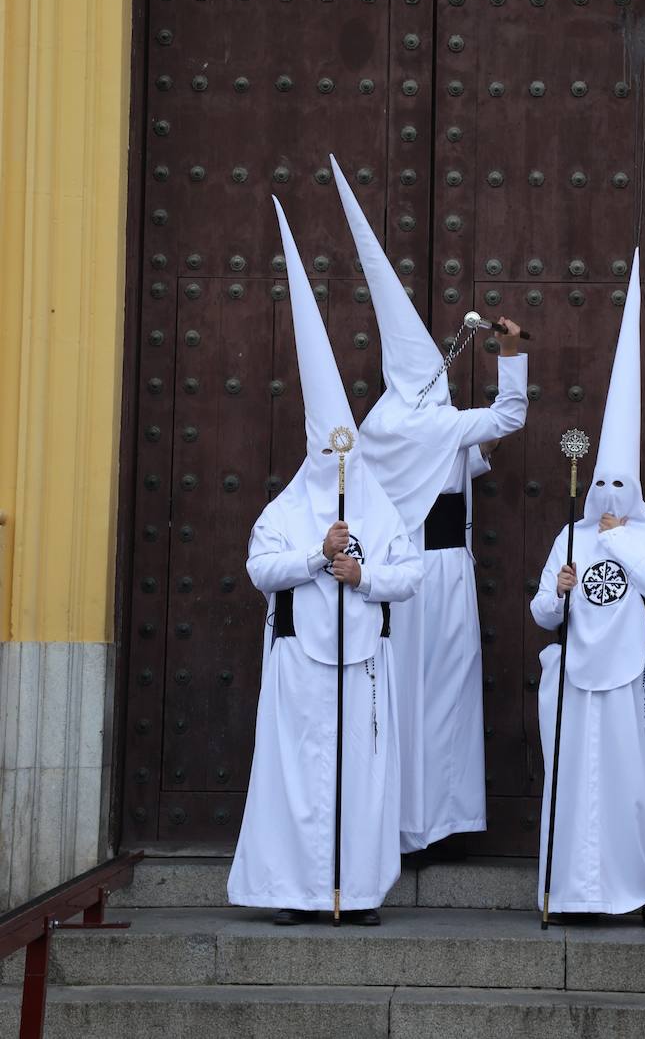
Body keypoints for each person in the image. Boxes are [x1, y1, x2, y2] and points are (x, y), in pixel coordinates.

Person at [227, 198, 422, 926]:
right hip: (298, 663)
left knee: (360, 778)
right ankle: (294, 892)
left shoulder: (381, 508)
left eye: (347, 452)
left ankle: (357, 892)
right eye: (325, 453)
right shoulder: (284, 510)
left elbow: (410, 575)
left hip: (365, 662)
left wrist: (362, 576)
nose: (337, 466)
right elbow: (259, 570)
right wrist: (317, 556)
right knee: (296, 776)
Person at [331, 155, 529, 855]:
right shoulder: (436, 421)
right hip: (438, 574)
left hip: (393, 574)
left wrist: (472, 445)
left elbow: (466, 462)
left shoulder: (380, 425)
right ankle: (432, 823)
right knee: (443, 697)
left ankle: (399, 820)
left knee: (402, 696)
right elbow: (506, 419)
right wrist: (509, 352)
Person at [531, 251, 645, 929]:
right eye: (603, 488)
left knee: (638, 789)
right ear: (590, 487)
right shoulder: (570, 539)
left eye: (622, 488)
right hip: (579, 677)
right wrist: (562, 590)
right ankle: (576, 893)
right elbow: (541, 613)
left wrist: (622, 538)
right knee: (578, 786)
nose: (611, 498)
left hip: (640, 681)